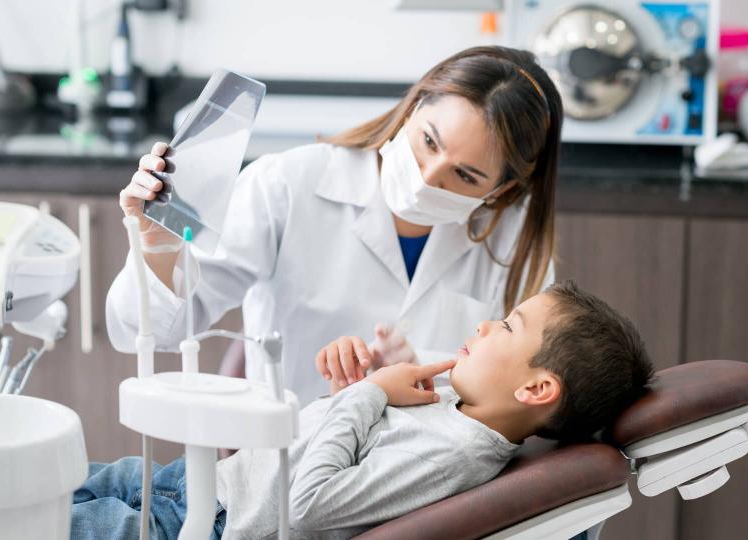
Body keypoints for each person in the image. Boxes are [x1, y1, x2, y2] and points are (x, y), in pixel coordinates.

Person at [106, 46, 564, 406]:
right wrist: (159, 248)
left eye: (465, 176)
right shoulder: (288, 183)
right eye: (428, 140)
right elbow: (152, 334)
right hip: (295, 468)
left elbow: (523, 393)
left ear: (502, 191)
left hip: (431, 475)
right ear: (414, 106)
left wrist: (427, 372)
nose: (428, 177)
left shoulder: (512, 243)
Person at [72, 281, 655, 539]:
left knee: (6, 521)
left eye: (506, 326)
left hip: (206, 525)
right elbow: (342, 449)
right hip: (196, 486)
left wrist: (369, 392)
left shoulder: (454, 454)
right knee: (34, 482)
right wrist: (349, 387)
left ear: (535, 390)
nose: (483, 325)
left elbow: (308, 504)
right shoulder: (458, 405)